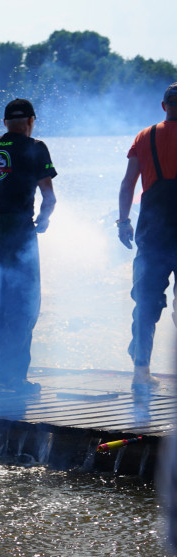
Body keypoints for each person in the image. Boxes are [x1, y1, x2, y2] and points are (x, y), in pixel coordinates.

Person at [0, 99, 57, 395]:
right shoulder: (36, 147)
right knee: (24, 302)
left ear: (5, 122)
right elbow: (49, 197)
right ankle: (15, 378)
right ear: (31, 121)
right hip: (19, 229)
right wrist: (42, 221)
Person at [117, 82, 177, 388]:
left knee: (146, 303)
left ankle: (141, 371)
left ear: (164, 106)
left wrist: (123, 221)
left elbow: (128, 184)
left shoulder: (145, 136)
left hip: (153, 232)